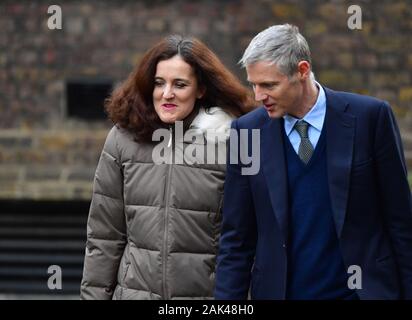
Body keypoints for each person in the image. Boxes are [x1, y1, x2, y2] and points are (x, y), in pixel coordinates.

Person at [215, 24, 412, 300]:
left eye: (269, 85)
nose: (259, 96)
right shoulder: (246, 133)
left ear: (302, 70)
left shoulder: (370, 118)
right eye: (254, 85)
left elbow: (401, 222)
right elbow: (236, 239)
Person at [80, 35, 253, 300]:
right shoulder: (123, 139)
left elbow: (247, 239)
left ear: (201, 89)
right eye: (159, 83)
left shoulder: (232, 141)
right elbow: (105, 236)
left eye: (180, 84)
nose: (167, 94)